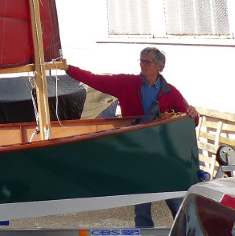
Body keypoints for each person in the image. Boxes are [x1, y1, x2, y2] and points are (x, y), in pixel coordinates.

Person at [66, 47, 199, 228]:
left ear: (159, 66)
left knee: (175, 199)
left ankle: (187, 230)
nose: (142, 65)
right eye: (141, 61)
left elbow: (190, 120)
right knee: (142, 204)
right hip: (138, 153)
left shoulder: (171, 92)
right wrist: (68, 69)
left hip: (163, 155)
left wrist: (193, 113)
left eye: (147, 62)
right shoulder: (127, 83)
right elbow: (95, 80)